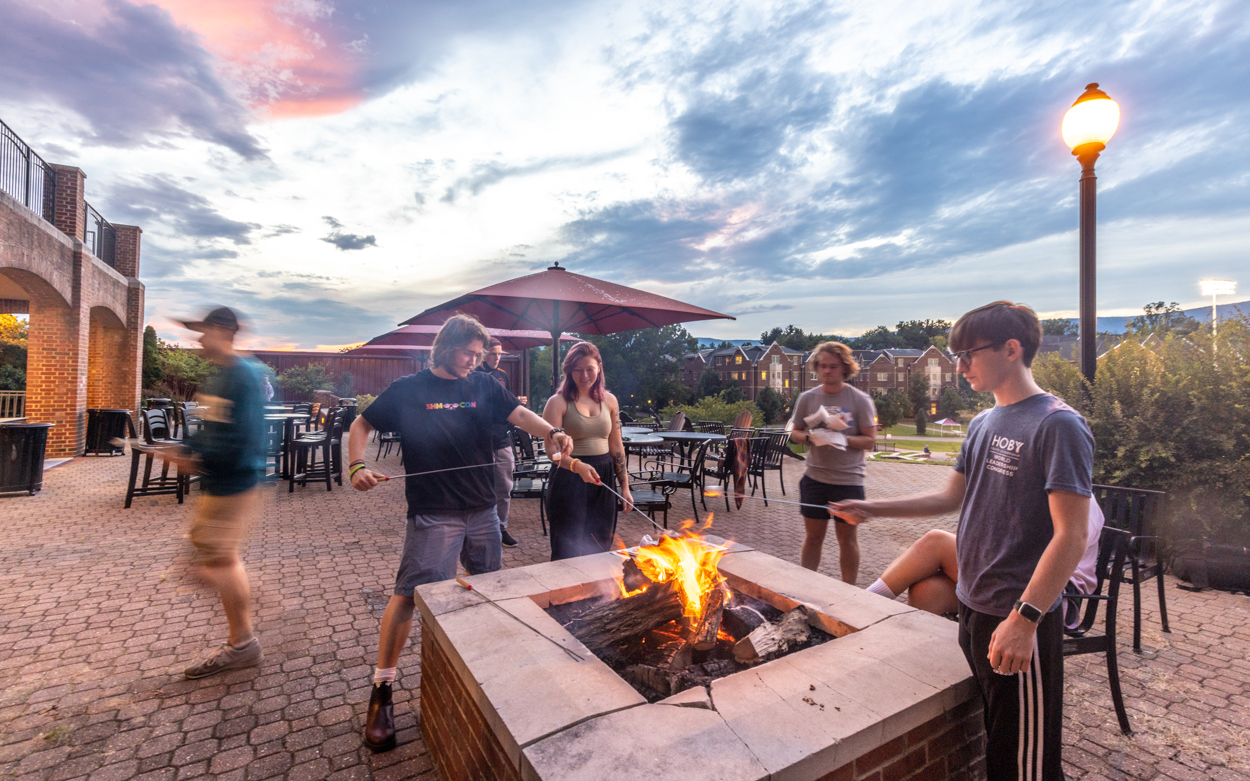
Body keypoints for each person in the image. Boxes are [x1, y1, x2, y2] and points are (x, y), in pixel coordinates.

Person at [832, 301, 1093, 781]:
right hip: (975, 605)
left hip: (1017, 611)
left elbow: (1071, 535)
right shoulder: (984, 422)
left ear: (1011, 349)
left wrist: (1026, 619)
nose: (959, 366)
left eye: (968, 354)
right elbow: (951, 496)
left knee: (1027, 765)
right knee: (1000, 744)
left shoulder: (1058, 424)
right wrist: (871, 508)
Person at [347, 314, 574, 752]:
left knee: (489, 590)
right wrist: (356, 465)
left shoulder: (484, 385)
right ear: (445, 347)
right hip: (434, 513)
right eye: (468, 353)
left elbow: (521, 413)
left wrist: (554, 431)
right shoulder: (408, 390)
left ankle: (488, 677)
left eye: (478, 354)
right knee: (410, 596)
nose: (474, 361)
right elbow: (361, 425)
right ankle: (382, 691)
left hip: (483, 510)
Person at [165, 307, 269, 680]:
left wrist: (199, 458)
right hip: (222, 482)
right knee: (208, 557)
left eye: (203, 332)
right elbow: (212, 426)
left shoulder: (243, 375)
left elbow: (244, 438)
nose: (199, 340)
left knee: (218, 562)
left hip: (233, 483)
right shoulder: (225, 375)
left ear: (222, 331)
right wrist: (185, 449)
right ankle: (244, 607)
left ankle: (243, 641)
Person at [864, 502, 1105, 628]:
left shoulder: (1081, 501)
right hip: (1014, 579)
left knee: (936, 541)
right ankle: (926, 661)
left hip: (1050, 598)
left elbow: (1063, 550)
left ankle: (864, 605)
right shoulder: (1033, 493)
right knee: (927, 591)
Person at [788, 341, 877, 583]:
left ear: (845, 368)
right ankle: (806, 590)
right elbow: (794, 433)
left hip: (848, 481)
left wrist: (841, 439)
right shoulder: (807, 398)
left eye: (833, 366)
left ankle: (848, 592)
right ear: (817, 367)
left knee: (847, 540)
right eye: (823, 366)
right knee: (813, 538)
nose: (828, 371)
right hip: (815, 479)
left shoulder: (860, 399)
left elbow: (870, 441)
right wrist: (810, 437)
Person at [542, 341, 633, 560]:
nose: (584, 376)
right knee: (567, 546)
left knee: (600, 544)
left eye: (589, 369)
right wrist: (576, 465)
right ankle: (566, 592)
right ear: (569, 372)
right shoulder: (558, 402)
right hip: (569, 476)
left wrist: (626, 487)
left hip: (603, 475)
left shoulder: (610, 401)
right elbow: (551, 452)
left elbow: (616, 446)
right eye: (578, 370)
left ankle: (596, 593)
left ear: (599, 368)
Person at [476, 337, 526, 548]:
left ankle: (501, 528)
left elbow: (506, 403)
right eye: (492, 353)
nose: (496, 358)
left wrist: (517, 402)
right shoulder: (473, 375)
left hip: (501, 438)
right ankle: (480, 530)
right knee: (480, 488)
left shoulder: (503, 375)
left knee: (504, 488)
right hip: (478, 441)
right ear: (482, 354)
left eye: (499, 354)